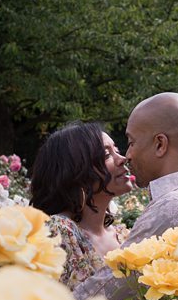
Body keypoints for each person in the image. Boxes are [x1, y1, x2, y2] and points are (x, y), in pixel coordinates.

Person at [72, 92, 178, 300]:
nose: (127, 155)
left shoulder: (174, 206)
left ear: (160, 144)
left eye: (131, 143)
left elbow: (108, 291)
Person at [30, 122, 132, 290]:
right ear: (76, 170)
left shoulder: (122, 234)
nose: (122, 159)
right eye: (107, 154)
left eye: (117, 151)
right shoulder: (58, 232)